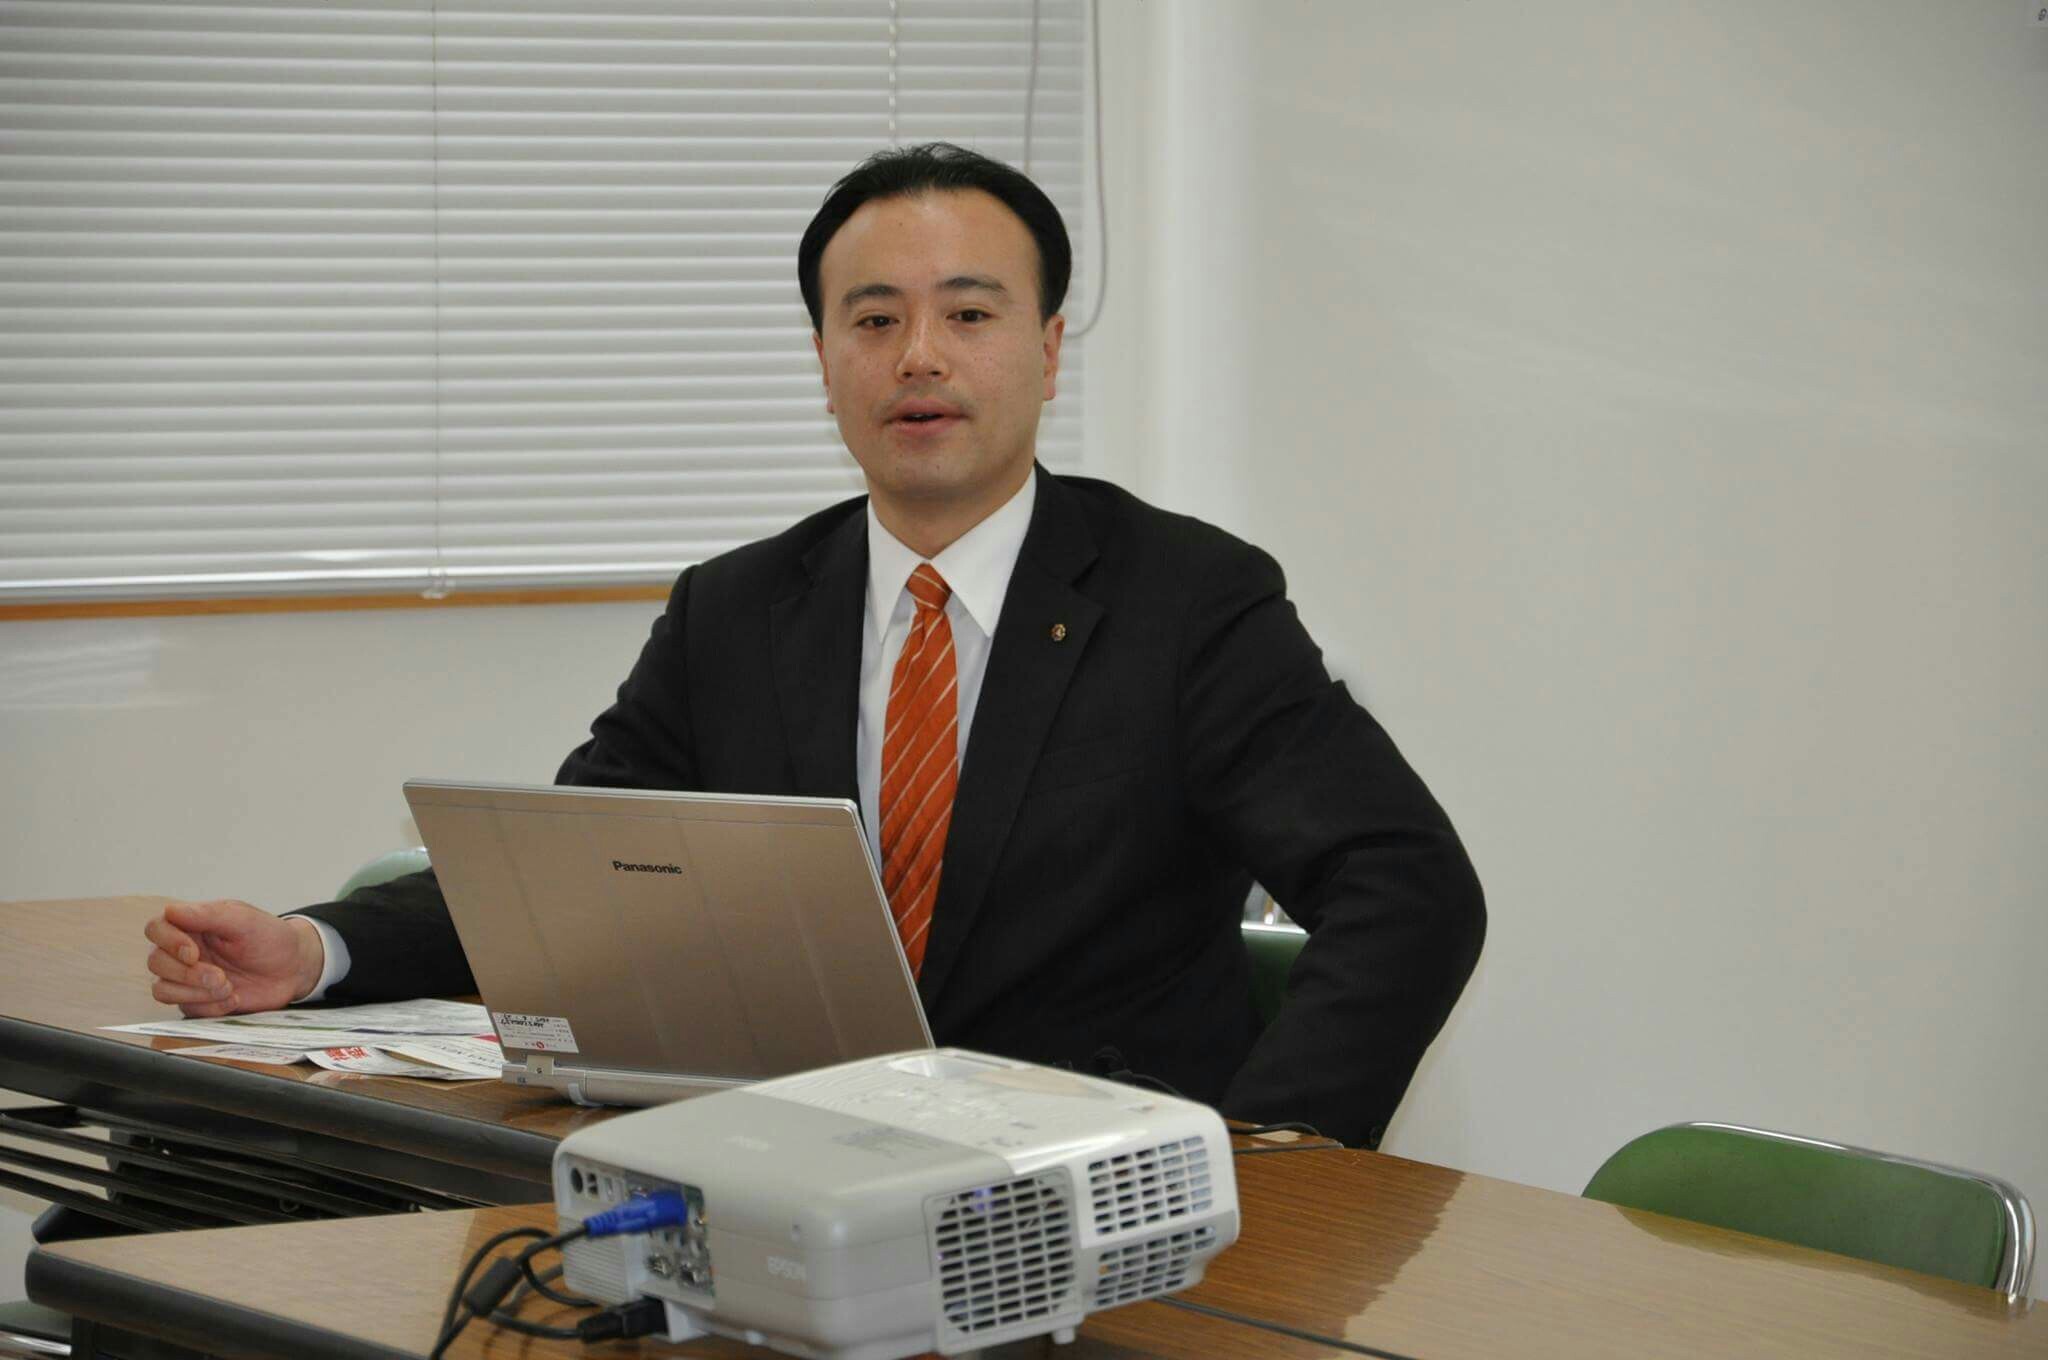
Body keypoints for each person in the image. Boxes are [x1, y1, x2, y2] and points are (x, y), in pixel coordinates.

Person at [141, 143, 1484, 1148]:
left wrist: (1267, 1159)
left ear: (1047, 347)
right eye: (875, 318)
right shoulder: (735, 609)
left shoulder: (1188, 600)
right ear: (825, 356)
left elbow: (1407, 887)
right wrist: (314, 950)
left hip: (1077, 1199)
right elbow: (568, 881)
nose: (919, 356)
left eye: (969, 314)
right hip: (786, 1174)